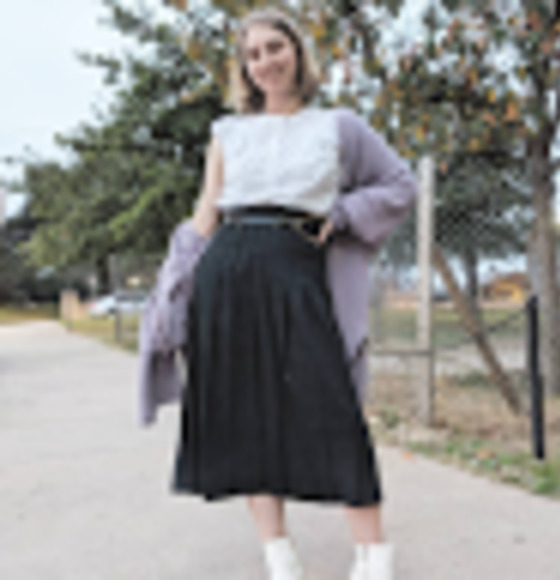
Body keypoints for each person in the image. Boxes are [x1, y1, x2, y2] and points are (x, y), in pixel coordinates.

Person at [139, 6, 418, 580]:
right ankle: (279, 556)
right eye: (253, 53)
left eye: (275, 47)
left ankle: (374, 557)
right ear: (244, 66)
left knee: (333, 409)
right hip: (226, 270)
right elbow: (207, 210)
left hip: (298, 269)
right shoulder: (227, 132)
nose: (265, 61)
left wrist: (344, 213)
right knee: (243, 415)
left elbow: (400, 184)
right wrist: (174, 280)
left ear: (296, 51)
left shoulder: (339, 126)